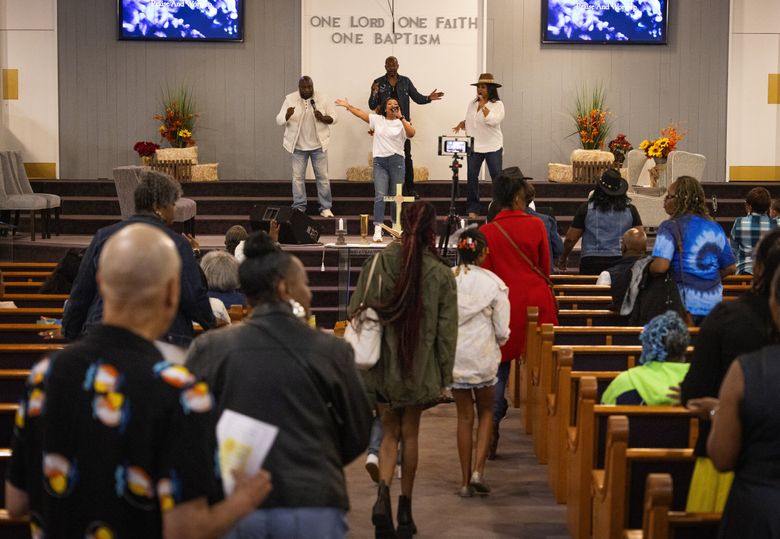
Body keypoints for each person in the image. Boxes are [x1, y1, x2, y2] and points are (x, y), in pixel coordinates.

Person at [5, 224, 271, 538]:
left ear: (101, 285)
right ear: (173, 293)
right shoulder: (181, 391)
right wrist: (243, 501)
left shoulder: (45, 375)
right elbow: (185, 530)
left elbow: (17, 502)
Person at [187, 231, 372, 539]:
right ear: (285, 288)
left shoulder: (210, 349)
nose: (310, 294)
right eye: (306, 286)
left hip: (234, 500)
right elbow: (359, 428)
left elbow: (187, 426)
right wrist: (320, 457)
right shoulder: (332, 351)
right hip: (312, 501)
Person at [347, 201, 457, 539]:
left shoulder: (379, 262)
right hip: (417, 367)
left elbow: (356, 308)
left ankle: (382, 496)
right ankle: (405, 509)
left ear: (402, 224)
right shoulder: (439, 272)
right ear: (431, 230)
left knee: (389, 431)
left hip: (381, 366)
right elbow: (446, 331)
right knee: (410, 434)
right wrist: (443, 376)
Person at [679, 228, 780, 512]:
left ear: (758, 268)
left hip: (731, 473)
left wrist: (719, 410)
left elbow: (693, 394)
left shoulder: (727, 319)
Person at [63, 170, 215, 347]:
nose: (174, 211)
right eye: (173, 204)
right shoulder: (177, 244)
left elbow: (82, 290)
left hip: (104, 332)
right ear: (158, 206)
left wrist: (70, 332)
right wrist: (210, 325)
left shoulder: (104, 236)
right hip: (164, 337)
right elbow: (193, 295)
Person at [479, 167, 558, 459]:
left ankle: (493, 423)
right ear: (517, 197)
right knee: (543, 365)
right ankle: (547, 423)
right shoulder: (537, 226)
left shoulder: (487, 232)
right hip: (536, 303)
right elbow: (545, 267)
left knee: (499, 368)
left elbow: (487, 279)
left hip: (504, 304)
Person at [450, 228, 510, 497]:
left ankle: (463, 482)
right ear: (484, 253)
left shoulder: (448, 280)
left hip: (455, 355)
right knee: (486, 412)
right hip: (483, 355)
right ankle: (478, 472)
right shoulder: (494, 284)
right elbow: (501, 330)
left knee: (464, 417)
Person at [649, 176, 736, 324]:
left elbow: (661, 266)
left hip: (683, 304)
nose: (665, 201)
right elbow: (731, 267)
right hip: (713, 303)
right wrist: (706, 277)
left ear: (682, 199)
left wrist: (647, 269)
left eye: (669, 196)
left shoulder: (669, 226)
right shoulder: (714, 227)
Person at [335, 96, 416, 243]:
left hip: (397, 161)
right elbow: (361, 113)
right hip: (380, 162)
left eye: (396, 104)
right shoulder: (378, 120)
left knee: (395, 196)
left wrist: (402, 118)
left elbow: (412, 133)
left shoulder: (402, 123)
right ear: (385, 108)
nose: (393, 106)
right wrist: (348, 105)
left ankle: (395, 227)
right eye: (390, 104)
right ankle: (378, 228)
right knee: (380, 195)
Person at [368, 56, 444, 199]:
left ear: (398, 66)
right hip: (385, 126)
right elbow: (372, 105)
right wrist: (374, 92)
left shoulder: (405, 81)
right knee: (385, 158)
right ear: (385, 66)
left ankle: (410, 189)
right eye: (388, 65)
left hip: (402, 125)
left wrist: (428, 98)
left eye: (394, 65)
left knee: (406, 157)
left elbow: (417, 97)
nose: (391, 67)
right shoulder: (378, 82)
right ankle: (388, 189)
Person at [558, 168, 643, 275]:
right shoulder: (631, 210)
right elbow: (640, 238)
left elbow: (570, 239)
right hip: (621, 261)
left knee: (591, 291)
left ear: (598, 189)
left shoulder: (586, 209)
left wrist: (563, 257)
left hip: (592, 261)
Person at [275, 75, 337, 217]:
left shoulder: (322, 98)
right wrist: (287, 116)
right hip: (298, 147)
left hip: (318, 146)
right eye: (304, 87)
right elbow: (278, 120)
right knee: (297, 179)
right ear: (299, 88)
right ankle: (299, 207)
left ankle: (325, 208)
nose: (308, 90)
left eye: (310, 87)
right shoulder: (290, 99)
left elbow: (334, 118)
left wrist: (323, 117)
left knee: (323, 178)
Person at [601, 311, 690, 405]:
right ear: (684, 345)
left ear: (647, 343)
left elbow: (603, 415)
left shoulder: (623, 383)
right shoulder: (701, 385)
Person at [452, 73, 505, 219]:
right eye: (478, 87)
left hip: (492, 146)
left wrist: (483, 107)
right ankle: (473, 208)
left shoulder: (498, 105)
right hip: (474, 146)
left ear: (491, 89)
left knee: (496, 177)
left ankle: (499, 208)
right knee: (472, 176)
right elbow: (472, 119)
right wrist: (463, 123)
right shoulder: (472, 103)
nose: (479, 90)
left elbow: (493, 121)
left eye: (483, 87)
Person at [730, 187, 777, 275]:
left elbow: (733, 251)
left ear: (749, 206)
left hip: (745, 273)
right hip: (768, 275)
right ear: (768, 207)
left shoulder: (739, 222)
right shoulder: (775, 225)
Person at [523, 182, 563, 264]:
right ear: (533, 197)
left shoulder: (505, 221)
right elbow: (558, 248)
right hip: (544, 271)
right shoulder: (547, 220)